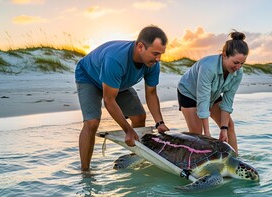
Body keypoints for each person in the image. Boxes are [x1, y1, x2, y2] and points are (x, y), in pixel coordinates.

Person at [75, 25, 170, 171]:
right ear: (140, 46)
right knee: (92, 122)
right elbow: (109, 100)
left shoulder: (153, 64)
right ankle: (85, 172)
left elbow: (151, 94)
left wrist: (159, 123)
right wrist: (127, 130)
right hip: (89, 77)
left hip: (118, 83)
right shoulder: (115, 59)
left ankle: (134, 160)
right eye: (155, 53)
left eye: (161, 54)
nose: (158, 59)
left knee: (139, 117)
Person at [177, 31, 249, 154]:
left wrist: (224, 129)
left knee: (229, 126)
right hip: (188, 93)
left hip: (213, 95)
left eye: (242, 64)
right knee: (198, 135)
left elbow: (227, 101)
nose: (238, 67)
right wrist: (207, 132)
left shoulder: (238, 72)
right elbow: (203, 99)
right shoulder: (208, 67)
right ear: (224, 55)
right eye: (236, 62)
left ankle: (235, 161)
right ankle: (193, 164)